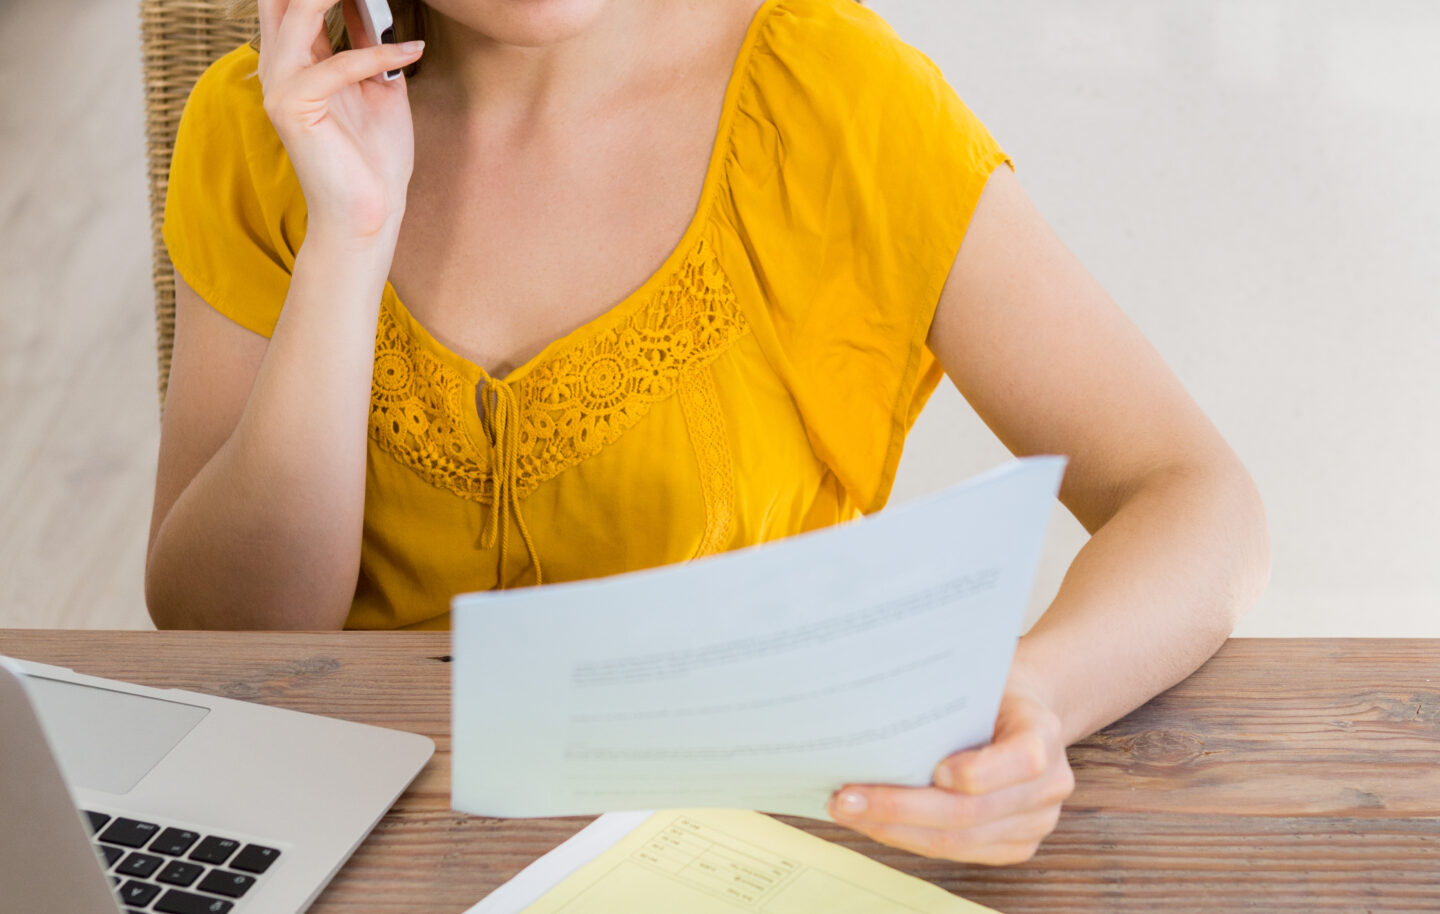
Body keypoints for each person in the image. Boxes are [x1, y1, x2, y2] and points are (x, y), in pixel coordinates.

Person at [147, 0, 1270, 866]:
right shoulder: (263, 129)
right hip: (350, 854)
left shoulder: (833, 96)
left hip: (744, 856)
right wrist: (348, 240)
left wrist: (1038, 696)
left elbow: (1190, 491)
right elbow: (228, 631)